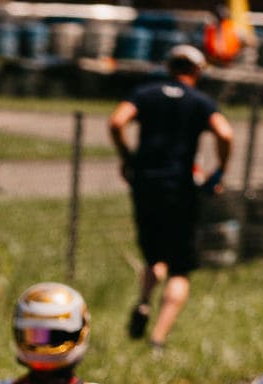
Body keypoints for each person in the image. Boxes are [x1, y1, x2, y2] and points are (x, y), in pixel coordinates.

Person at [108, 45, 236, 350]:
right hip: (181, 189)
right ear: (198, 71)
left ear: (168, 67)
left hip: (145, 184)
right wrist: (219, 171)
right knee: (179, 268)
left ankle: (143, 300)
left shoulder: (145, 93)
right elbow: (225, 134)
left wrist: (127, 157)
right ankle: (158, 339)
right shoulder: (200, 102)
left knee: (154, 258)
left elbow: (117, 122)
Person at [201, 0, 251, 67]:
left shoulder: (234, 28)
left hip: (232, 62)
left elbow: (248, 42)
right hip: (215, 61)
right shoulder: (210, 28)